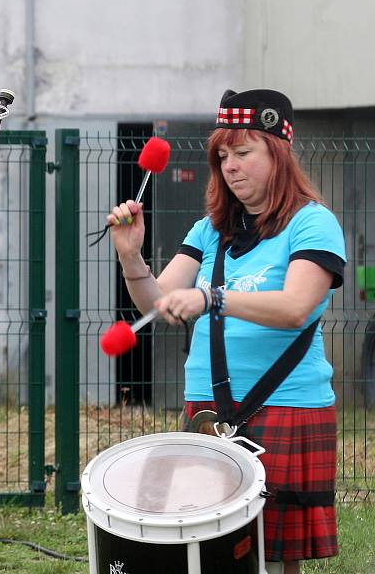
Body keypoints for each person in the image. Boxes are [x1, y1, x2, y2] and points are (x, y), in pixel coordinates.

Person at [106, 89, 344, 574]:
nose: (230, 166)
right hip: (209, 406)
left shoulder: (313, 223)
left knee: (272, 560)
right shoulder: (210, 230)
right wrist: (131, 256)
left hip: (287, 403)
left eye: (243, 152)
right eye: (222, 155)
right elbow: (158, 303)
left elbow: (297, 307)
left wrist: (213, 298)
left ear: (277, 154)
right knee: (213, 549)